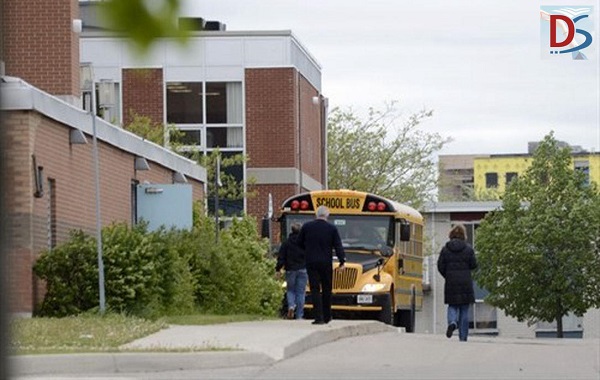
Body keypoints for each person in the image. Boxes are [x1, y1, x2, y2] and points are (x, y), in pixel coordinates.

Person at [297, 205, 346, 325]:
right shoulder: (332, 228)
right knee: (327, 289)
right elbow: (338, 246)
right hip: (326, 262)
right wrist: (341, 261)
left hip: (311, 261)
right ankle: (327, 316)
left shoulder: (307, 227)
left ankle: (318, 317)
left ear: (316, 214)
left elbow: (299, 243)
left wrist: (307, 251)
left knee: (314, 289)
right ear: (327, 215)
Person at [437, 224, 478, 342]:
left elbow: (440, 265)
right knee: (464, 309)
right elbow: (474, 264)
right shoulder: (468, 249)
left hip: (451, 281)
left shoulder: (445, 249)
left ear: (451, 235)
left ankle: (453, 322)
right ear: (463, 235)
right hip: (465, 281)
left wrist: (447, 275)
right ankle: (463, 337)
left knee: (452, 305)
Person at [275, 223, 307, 320]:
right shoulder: (305, 243)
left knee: (290, 290)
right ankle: (299, 315)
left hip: (290, 270)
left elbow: (281, 257)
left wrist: (278, 269)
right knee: (301, 292)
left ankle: (291, 306)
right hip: (303, 269)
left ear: (291, 230)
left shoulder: (286, 243)